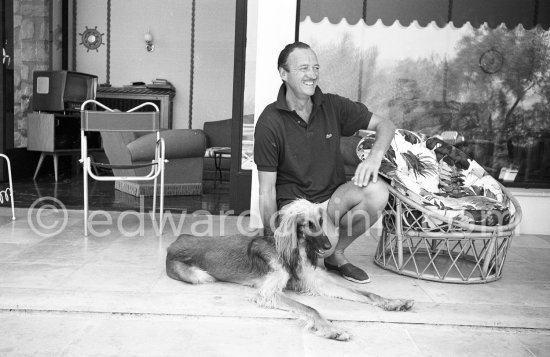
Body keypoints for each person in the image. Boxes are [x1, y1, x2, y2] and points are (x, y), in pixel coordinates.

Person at [254, 42, 396, 284]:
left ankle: (337, 256)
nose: (312, 74)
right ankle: (320, 249)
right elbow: (266, 191)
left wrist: (375, 157)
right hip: (297, 208)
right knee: (322, 244)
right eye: (303, 68)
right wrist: (272, 241)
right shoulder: (270, 122)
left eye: (315, 67)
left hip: (332, 200)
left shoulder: (332, 105)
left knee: (378, 191)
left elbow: (386, 125)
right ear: (283, 73)